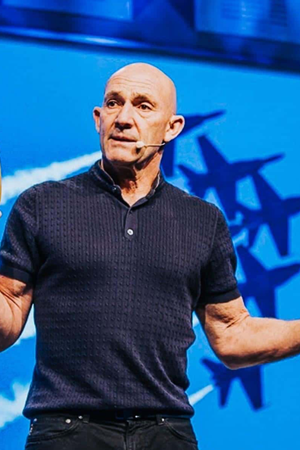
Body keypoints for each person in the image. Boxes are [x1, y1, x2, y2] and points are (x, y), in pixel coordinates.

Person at [0, 62, 299, 450]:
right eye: (113, 103)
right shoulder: (42, 205)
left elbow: (231, 334)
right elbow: (7, 314)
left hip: (167, 432)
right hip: (67, 430)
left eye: (143, 106)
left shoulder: (203, 221)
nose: (123, 118)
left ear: (172, 128)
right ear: (98, 118)